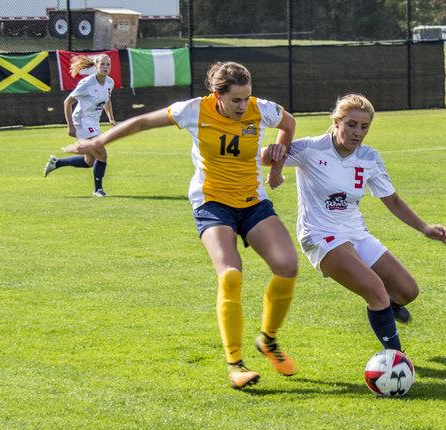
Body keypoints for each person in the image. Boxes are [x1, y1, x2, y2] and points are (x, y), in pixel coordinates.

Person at [64, 61, 299, 389]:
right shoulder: (194, 110)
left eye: (247, 98)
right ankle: (236, 364)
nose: (243, 106)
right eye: (236, 101)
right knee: (231, 274)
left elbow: (289, 124)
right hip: (212, 203)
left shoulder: (261, 109)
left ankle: (268, 341)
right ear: (217, 95)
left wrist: (277, 162)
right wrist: (97, 141)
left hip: (252, 201)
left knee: (287, 265)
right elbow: (142, 121)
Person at [262, 93, 446, 356]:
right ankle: (396, 359)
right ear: (336, 122)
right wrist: (273, 153)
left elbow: (392, 200)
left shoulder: (369, 158)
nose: (357, 133)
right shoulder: (310, 149)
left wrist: (425, 228)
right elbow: (265, 158)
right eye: (351, 124)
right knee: (375, 290)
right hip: (320, 236)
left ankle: (384, 308)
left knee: (408, 291)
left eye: (364, 127)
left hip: (355, 233)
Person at [44, 54, 116, 197]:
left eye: (108, 64)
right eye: (102, 64)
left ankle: (57, 163)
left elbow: (107, 100)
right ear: (96, 66)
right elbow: (67, 102)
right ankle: (98, 190)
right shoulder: (87, 83)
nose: (105, 67)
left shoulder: (110, 82)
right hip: (82, 121)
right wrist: (70, 126)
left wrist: (111, 118)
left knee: (89, 161)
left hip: (93, 122)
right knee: (102, 154)